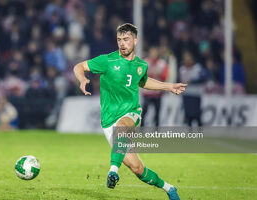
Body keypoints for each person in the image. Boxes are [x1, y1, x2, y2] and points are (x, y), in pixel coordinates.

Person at [73, 23, 187, 200]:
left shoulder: (141, 64)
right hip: (108, 121)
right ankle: (169, 188)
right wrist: (82, 79)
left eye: (126, 39)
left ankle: (113, 171)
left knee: (122, 126)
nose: (122, 43)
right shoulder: (107, 61)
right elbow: (79, 67)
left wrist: (168, 86)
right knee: (137, 169)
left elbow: (142, 81)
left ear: (135, 40)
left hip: (131, 113)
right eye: (119, 39)